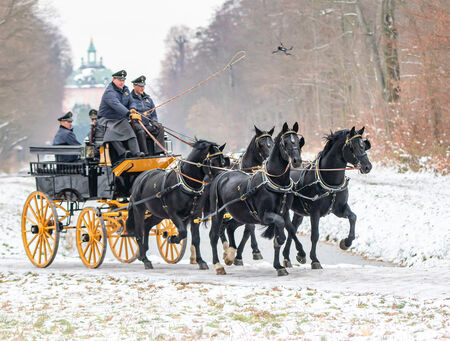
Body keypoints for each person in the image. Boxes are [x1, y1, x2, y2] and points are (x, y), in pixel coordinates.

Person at [97, 70, 144, 158]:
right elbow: (116, 104)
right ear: (113, 79)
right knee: (111, 132)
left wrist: (133, 108)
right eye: (119, 80)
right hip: (106, 119)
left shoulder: (126, 89)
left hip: (120, 119)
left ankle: (136, 153)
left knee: (130, 131)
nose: (122, 82)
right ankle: (123, 153)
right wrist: (128, 113)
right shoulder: (109, 92)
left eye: (123, 80)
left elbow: (132, 101)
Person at [130, 75, 165, 155]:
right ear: (134, 86)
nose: (142, 88)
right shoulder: (130, 99)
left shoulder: (148, 99)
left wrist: (154, 122)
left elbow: (153, 114)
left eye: (143, 86)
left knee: (160, 128)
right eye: (140, 86)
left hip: (146, 125)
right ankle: (145, 154)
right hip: (136, 126)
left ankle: (159, 151)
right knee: (141, 131)